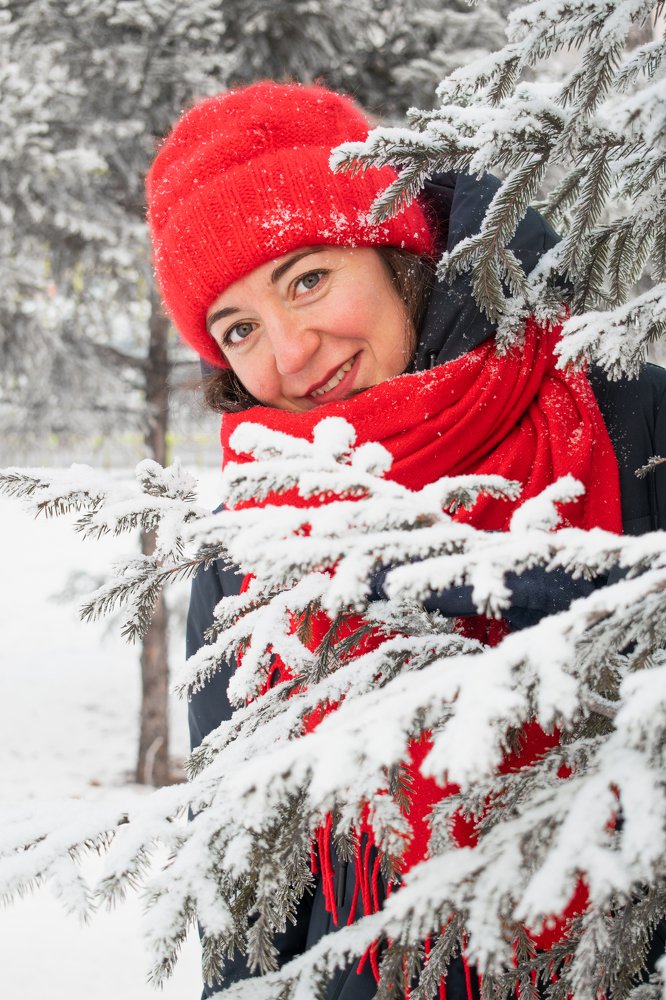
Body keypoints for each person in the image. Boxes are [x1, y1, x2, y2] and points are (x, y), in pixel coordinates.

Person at [146, 80, 666, 999]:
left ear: (400, 250)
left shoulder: (631, 414)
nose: (292, 354)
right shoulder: (251, 536)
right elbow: (249, 898)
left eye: (308, 278)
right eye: (239, 329)